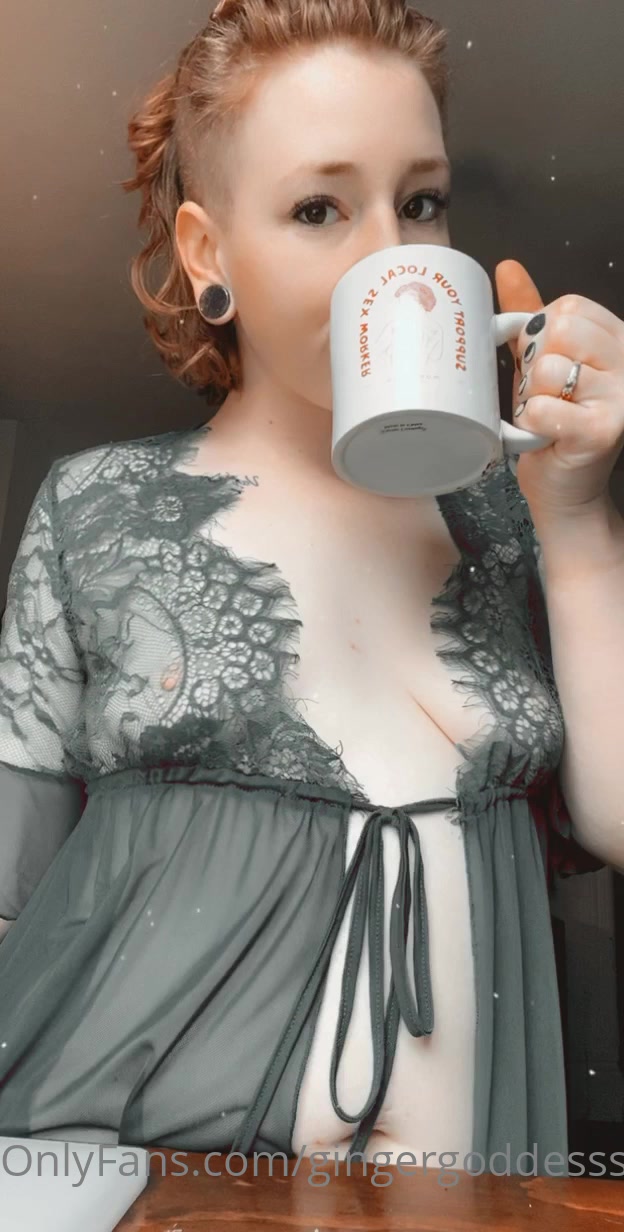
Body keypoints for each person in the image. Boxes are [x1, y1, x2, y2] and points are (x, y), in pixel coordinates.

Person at [0, 0, 606, 1174]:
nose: (392, 260)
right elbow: (12, 892)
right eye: (320, 209)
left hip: (474, 1188)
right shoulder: (93, 506)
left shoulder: (514, 514)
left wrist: (580, 519)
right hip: (135, 1176)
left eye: (420, 203)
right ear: (207, 253)